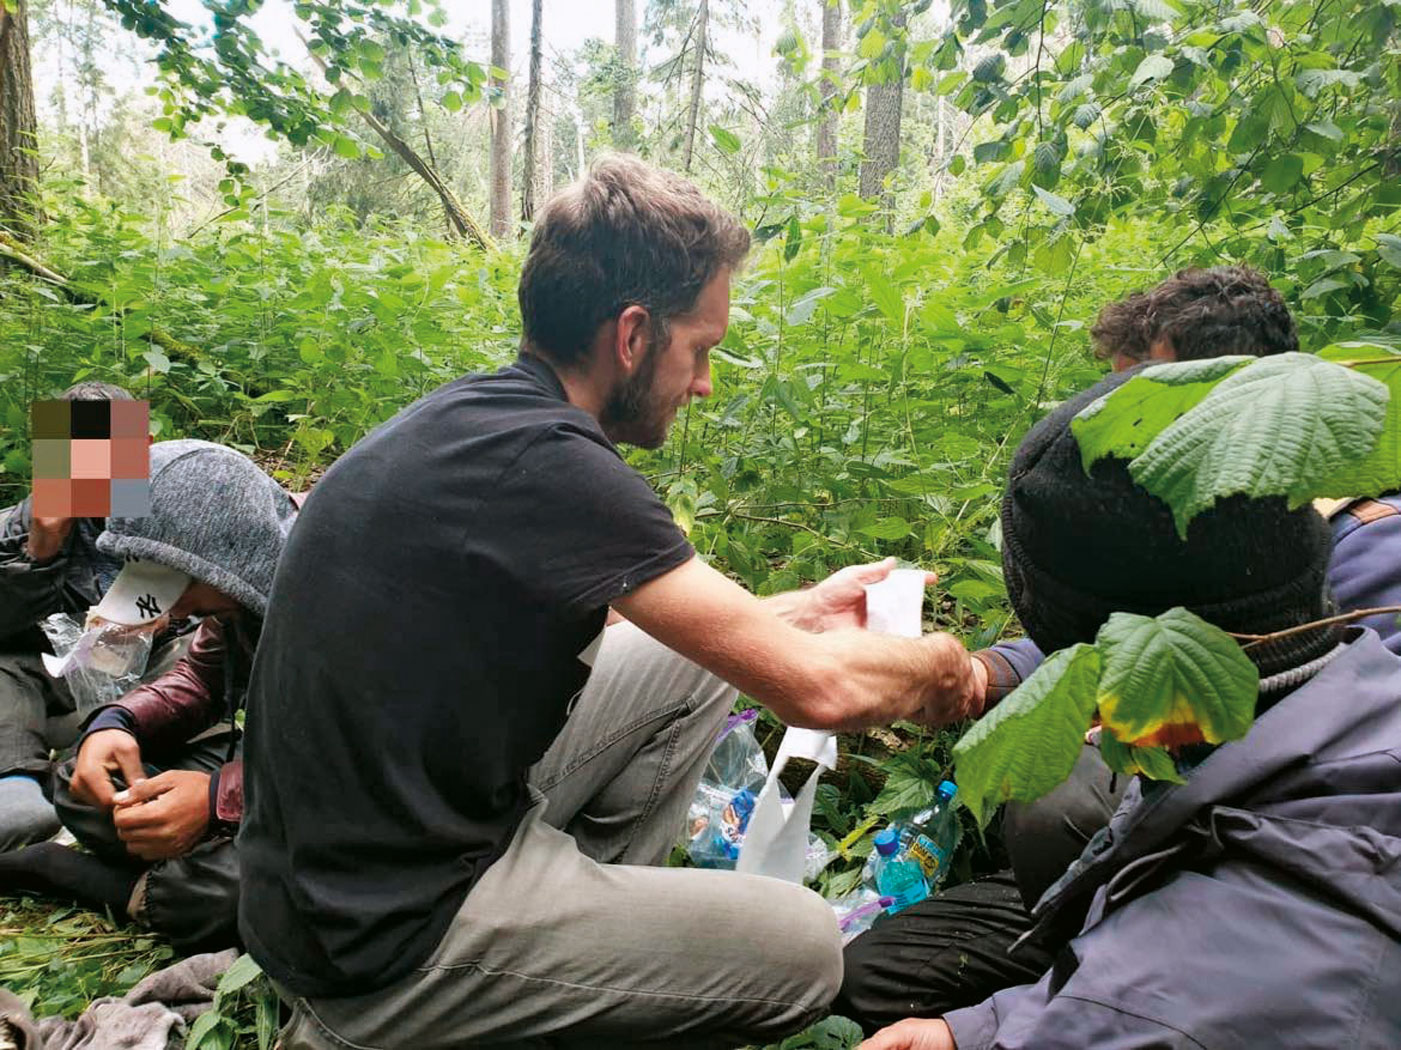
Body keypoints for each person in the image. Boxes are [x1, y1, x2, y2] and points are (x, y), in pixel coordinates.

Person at [238, 155, 985, 1050]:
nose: (703, 383)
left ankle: (573, 966)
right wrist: (948, 666)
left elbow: (659, 625)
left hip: (337, 871)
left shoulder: (482, 422)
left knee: (689, 670)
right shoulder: (552, 465)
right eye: (699, 349)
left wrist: (800, 613)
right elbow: (821, 693)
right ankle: (450, 1008)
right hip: (382, 937)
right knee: (804, 949)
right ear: (632, 335)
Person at [837, 265, 1401, 1031]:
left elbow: (1331, 761)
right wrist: (980, 672)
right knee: (871, 973)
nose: (1107, 420)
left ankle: (1100, 956)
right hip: (1176, 824)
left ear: (1235, 391)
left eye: (1137, 395)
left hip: (1276, 854)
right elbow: (1139, 633)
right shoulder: (1199, 517)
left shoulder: (1366, 538)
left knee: (1059, 796)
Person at [0, 439, 298, 950]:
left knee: (239, 896)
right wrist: (117, 723)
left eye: (180, 587)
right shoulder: (28, 520)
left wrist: (217, 799)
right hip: (51, 671)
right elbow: (201, 678)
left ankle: (105, 877)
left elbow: (363, 762)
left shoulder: (329, 597)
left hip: (336, 783)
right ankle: (185, 843)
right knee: (86, 779)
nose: (175, 609)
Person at [0, 381, 192, 851]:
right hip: (47, 694)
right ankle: (14, 781)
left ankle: (92, 775)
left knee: (193, 649)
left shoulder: (177, 513)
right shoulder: (13, 525)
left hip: (141, 686)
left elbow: (221, 603)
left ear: (142, 449)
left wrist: (169, 616)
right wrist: (38, 553)